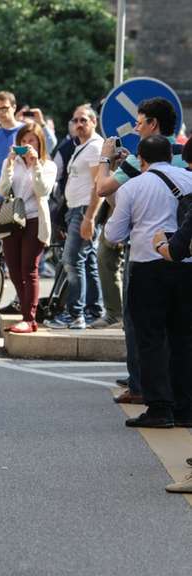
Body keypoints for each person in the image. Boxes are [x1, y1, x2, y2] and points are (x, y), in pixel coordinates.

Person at [103, 135, 192, 430]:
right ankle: (185, 407)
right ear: (171, 154)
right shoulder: (188, 178)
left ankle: (159, 408)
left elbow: (113, 235)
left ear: (140, 158)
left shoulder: (134, 186)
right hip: (185, 267)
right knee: (183, 338)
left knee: (151, 340)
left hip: (148, 268)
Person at [45, 105, 104, 330]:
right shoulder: (83, 146)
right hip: (75, 211)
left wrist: (89, 217)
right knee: (87, 263)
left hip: (84, 211)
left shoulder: (95, 147)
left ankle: (74, 314)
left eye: (84, 120)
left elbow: (98, 185)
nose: (79, 124)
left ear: (93, 122)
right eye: (76, 120)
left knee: (72, 262)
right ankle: (93, 310)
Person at [0, 124, 58, 332]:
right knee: (13, 270)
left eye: (31, 141)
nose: (27, 145)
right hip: (13, 220)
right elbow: (3, 190)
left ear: (39, 143)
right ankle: (26, 312)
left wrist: (35, 165)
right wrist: (10, 164)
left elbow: (43, 190)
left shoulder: (48, 165)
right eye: (23, 141)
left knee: (29, 269)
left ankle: (29, 319)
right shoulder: (11, 162)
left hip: (34, 219)